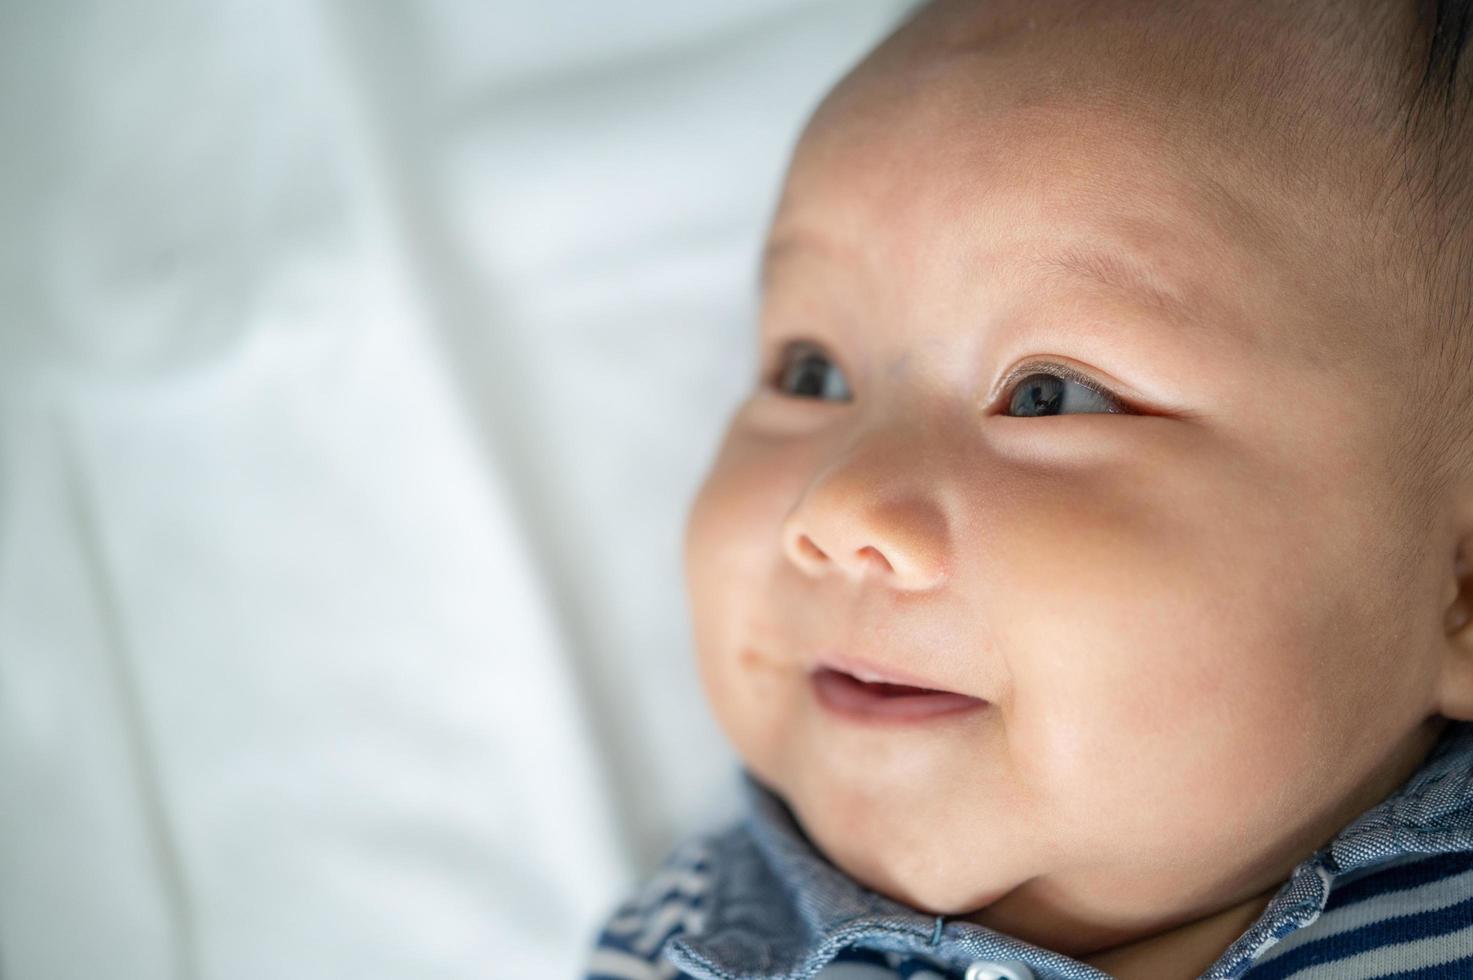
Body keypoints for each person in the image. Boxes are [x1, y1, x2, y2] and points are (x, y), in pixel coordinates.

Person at [583, 0, 1473, 976]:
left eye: (1054, 396)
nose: (834, 509)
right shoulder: (685, 947)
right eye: (811, 375)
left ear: (1461, 586)